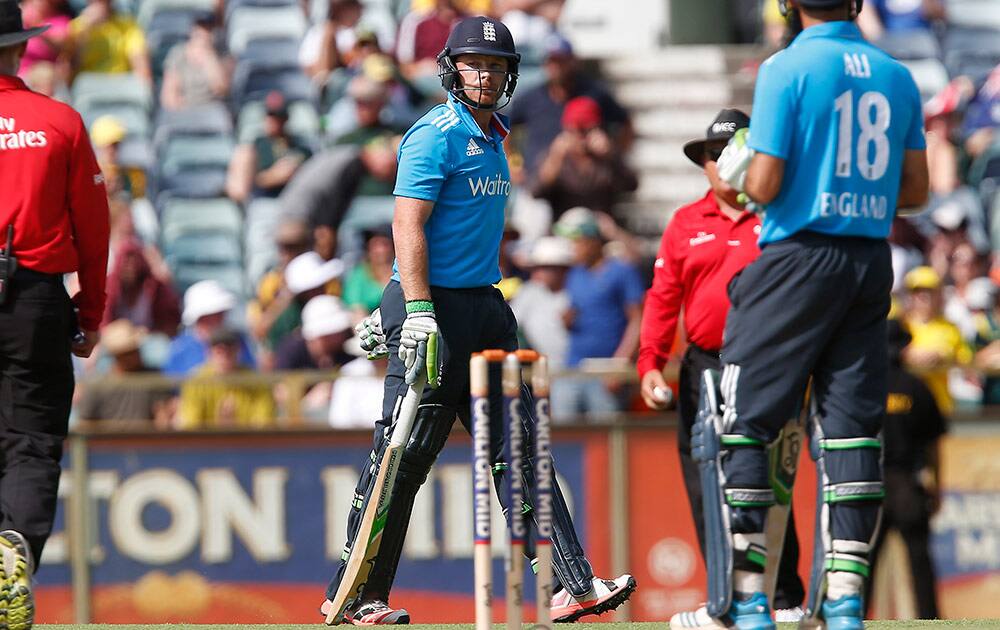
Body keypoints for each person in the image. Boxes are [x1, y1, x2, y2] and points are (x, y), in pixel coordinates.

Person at [320, 16, 635, 625]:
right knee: (403, 457)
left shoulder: (495, 134)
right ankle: (354, 595)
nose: (485, 75)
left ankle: (572, 584)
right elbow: (407, 226)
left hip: (484, 307)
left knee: (521, 447)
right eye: (473, 64)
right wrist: (408, 310)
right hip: (431, 308)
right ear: (450, 68)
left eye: (495, 65)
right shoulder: (433, 135)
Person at [669, 1, 929, 628]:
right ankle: (843, 603)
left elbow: (761, 185)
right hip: (869, 259)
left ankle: (752, 598)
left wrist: (740, 165)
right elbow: (916, 193)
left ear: (788, 5)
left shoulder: (786, 68)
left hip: (797, 256)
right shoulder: (897, 74)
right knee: (850, 432)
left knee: (743, 421)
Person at [637, 109, 806, 621]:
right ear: (706, 164)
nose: (722, 162)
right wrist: (651, 363)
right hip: (704, 367)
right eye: (713, 154)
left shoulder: (780, 216)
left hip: (769, 364)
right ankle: (727, 601)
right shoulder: (686, 223)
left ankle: (782, 598)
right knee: (708, 480)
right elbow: (663, 299)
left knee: (771, 477)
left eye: (733, 151)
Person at [0, 2, 110, 626]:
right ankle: (12, 549)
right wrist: (90, 311)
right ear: (20, 49)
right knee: (32, 445)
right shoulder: (58, 121)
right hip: (34, 297)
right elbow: (93, 230)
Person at [866, 319, 945, 619]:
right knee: (920, 564)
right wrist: (937, 484)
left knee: (863, 565)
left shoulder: (864, 388)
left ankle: (853, 619)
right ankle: (929, 620)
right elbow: (933, 443)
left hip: (872, 483)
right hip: (908, 485)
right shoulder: (917, 387)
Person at [554, 208, 644, 420]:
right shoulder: (574, 274)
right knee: (564, 441)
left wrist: (619, 364)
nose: (572, 247)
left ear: (592, 240)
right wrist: (567, 320)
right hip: (572, 369)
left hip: (606, 373)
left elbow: (637, 319)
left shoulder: (622, 271)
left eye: (576, 241)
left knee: (607, 444)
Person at [533, 95, 638, 219]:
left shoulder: (605, 159)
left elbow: (631, 185)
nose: (581, 138)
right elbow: (536, 192)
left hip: (600, 230)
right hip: (563, 229)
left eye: (587, 130)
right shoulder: (557, 158)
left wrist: (610, 155)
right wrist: (554, 160)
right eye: (576, 131)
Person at [901, 266, 972, 415]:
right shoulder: (900, 326)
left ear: (939, 294)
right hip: (904, 405)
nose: (924, 296)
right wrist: (907, 356)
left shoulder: (950, 327)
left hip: (939, 404)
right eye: (917, 291)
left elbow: (966, 359)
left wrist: (943, 356)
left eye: (930, 291)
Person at [76, 319, 173, 425]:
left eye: (136, 349)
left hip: (146, 439)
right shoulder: (97, 385)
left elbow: (162, 414)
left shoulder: (153, 377)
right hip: (109, 440)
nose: (137, 354)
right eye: (130, 352)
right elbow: (85, 423)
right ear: (118, 356)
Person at [176, 326, 275, 429]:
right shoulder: (196, 382)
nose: (224, 355)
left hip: (248, 443)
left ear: (238, 350)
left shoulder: (255, 381)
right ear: (209, 352)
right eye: (219, 350)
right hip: (206, 443)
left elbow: (263, 424)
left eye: (229, 350)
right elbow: (191, 426)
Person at [226, 91, 314, 203]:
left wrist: (296, 173)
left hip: (297, 200)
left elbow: (313, 176)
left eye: (279, 117)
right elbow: (242, 187)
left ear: (286, 118)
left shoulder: (302, 146)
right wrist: (272, 176)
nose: (274, 122)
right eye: (270, 116)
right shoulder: (255, 145)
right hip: (264, 201)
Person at [163, 280, 255, 376]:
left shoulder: (239, 343)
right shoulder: (179, 349)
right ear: (197, 319)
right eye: (209, 316)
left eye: (219, 314)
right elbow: (171, 386)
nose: (216, 320)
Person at [509, 235, 573, 371]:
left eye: (544, 267)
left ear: (562, 268)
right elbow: (510, 325)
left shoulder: (577, 292)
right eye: (536, 267)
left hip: (580, 367)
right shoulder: (530, 292)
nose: (537, 273)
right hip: (546, 371)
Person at [102, 238, 180, 336]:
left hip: (149, 339)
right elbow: (103, 324)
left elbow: (169, 323)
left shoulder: (155, 288)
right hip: (117, 341)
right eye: (126, 262)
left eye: (133, 262)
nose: (130, 267)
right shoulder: (109, 287)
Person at [66, 0, 150, 81]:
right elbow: (69, 74)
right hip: (87, 88)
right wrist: (85, 31)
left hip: (120, 87)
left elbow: (141, 67)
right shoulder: (75, 27)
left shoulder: (129, 26)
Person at [159, 13, 229, 111]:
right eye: (200, 28)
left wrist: (209, 57)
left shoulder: (222, 54)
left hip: (211, 109)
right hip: (183, 108)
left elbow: (221, 89)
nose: (204, 32)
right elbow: (169, 93)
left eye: (209, 29)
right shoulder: (178, 54)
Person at [343, 224, 394, 319]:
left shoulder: (400, 270)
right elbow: (354, 307)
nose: (380, 250)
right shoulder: (359, 275)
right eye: (375, 245)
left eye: (384, 244)